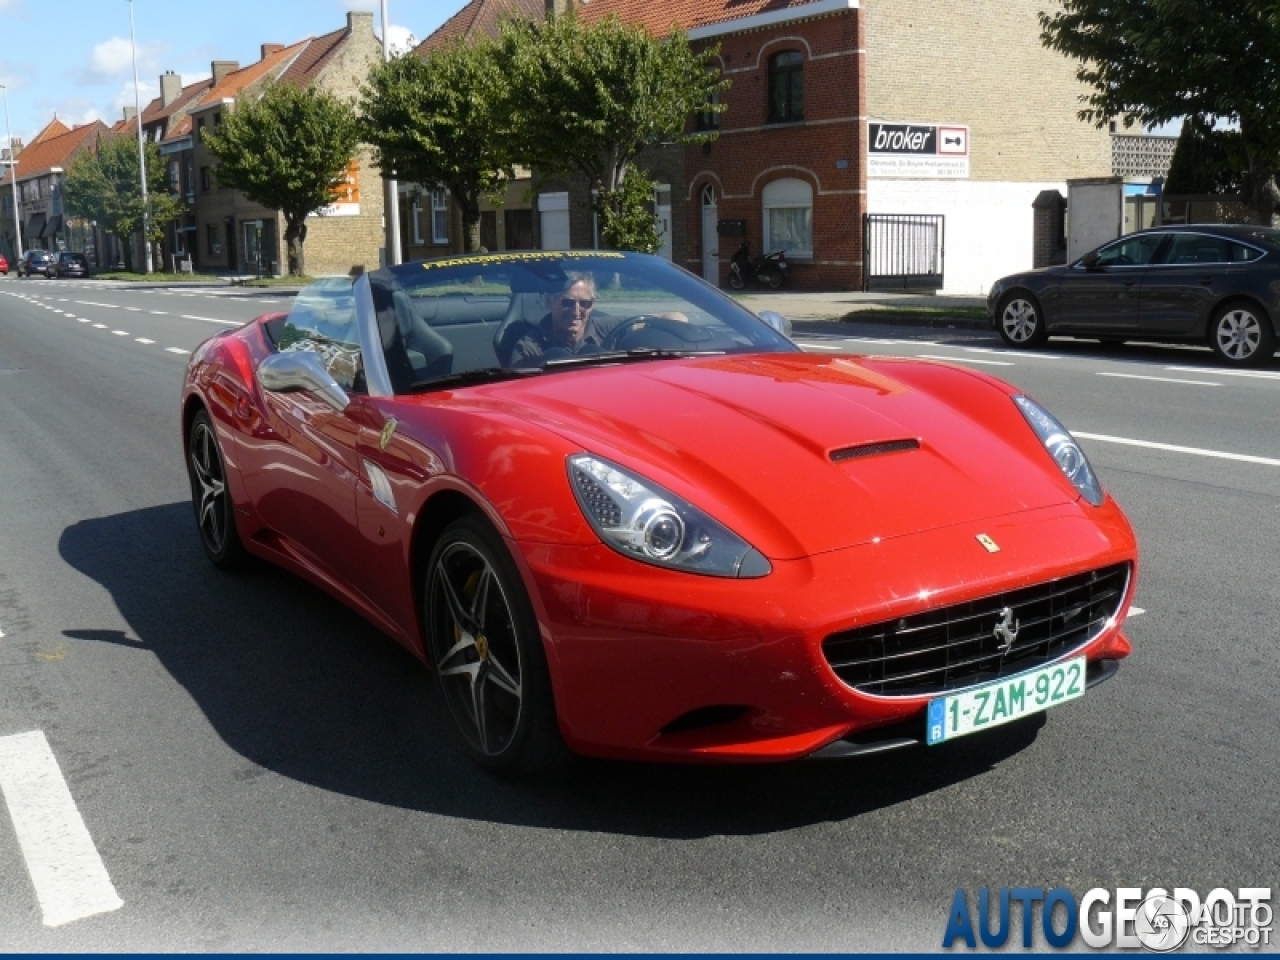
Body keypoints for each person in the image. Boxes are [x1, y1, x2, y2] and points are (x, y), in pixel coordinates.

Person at [506, 272, 624, 367]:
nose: (576, 311)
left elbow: (640, 325)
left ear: (592, 305)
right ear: (549, 302)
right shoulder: (529, 349)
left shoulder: (610, 328)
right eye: (567, 303)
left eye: (584, 303)